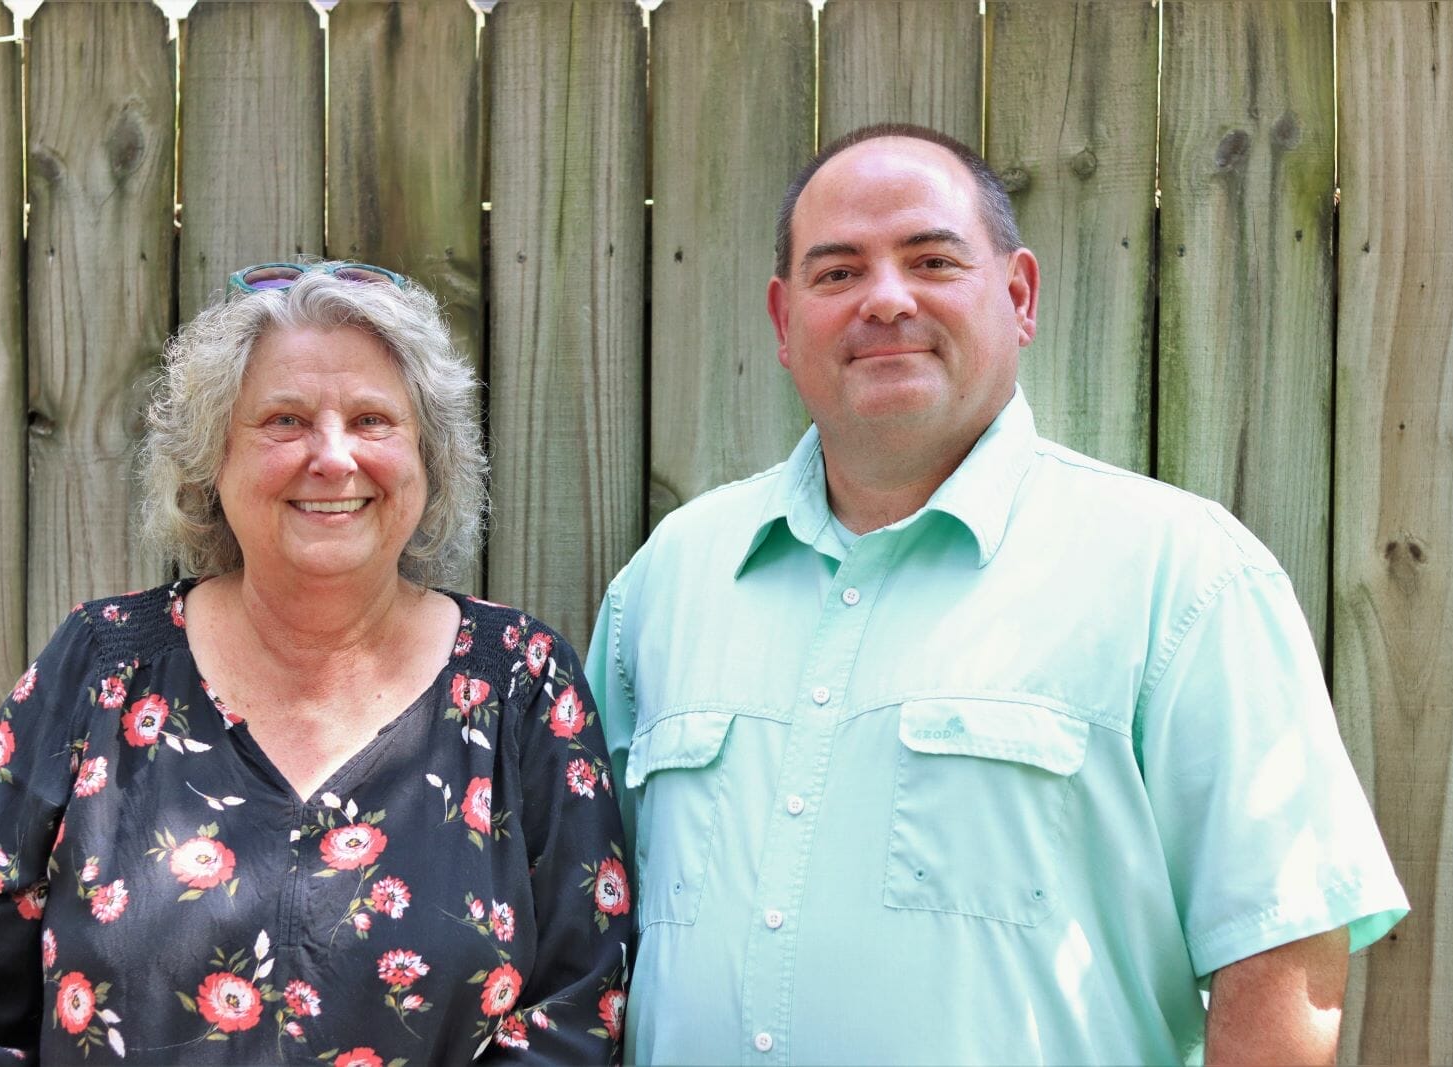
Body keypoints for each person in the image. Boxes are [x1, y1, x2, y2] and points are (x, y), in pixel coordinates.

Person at [586, 125, 1407, 1064]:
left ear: (1018, 296)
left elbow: (1283, 949)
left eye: (932, 261)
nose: (885, 299)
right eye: (838, 272)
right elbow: (583, 920)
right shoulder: (669, 580)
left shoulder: (1180, 574)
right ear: (783, 320)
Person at [0, 261, 632, 1064]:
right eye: (285, 419)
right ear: (214, 459)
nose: (332, 456)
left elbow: (580, 1013)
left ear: (428, 457)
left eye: (372, 419)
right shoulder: (104, 668)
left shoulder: (523, 685)